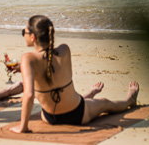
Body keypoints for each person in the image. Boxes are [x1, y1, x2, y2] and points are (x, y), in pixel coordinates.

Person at [11, 14, 139, 133]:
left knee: (77, 99)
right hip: (78, 114)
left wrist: (23, 127)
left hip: (49, 117)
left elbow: (29, 95)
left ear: (32, 37)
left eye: (24, 32)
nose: (24, 35)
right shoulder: (64, 50)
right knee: (106, 103)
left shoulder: (27, 59)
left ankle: (90, 95)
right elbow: (52, 70)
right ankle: (129, 100)